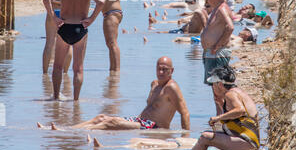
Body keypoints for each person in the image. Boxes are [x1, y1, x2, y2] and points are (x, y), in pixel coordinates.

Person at [40, 56, 190, 130]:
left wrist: (186, 138)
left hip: (155, 127)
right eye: (159, 68)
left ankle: (77, 134)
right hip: (140, 122)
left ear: (172, 71)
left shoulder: (172, 88)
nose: (161, 72)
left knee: (112, 122)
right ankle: (66, 130)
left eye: (165, 69)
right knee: (102, 117)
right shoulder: (154, 84)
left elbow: (185, 113)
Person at [42, 0, 105, 100]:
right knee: (78, 68)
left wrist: (54, 17)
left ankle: (56, 97)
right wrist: (91, 19)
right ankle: (76, 101)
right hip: (80, 28)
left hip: (64, 27)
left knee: (58, 66)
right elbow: (101, 1)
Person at [186, 66, 260, 150]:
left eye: (213, 84)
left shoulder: (230, 94)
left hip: (248, 142)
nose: (212, 87)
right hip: (247, 140)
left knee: (205, 137)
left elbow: (240, 110)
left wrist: (217, 118)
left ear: (220, 84)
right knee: (208, 136)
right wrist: (221, 103)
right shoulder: (237, 92)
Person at [39, 0, 73, 76]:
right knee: (67, 44)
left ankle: (44, 74)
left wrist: (54, 0)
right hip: (67, 14)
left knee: (49, 43)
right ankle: (65, 74)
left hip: (53, 12)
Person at [201, 0, 234, 92]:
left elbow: (230, 27)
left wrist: (217, 46)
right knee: (215, 90)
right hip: (212, 54)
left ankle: (226, 109)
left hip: (217, 54)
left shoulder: (222, 8)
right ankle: (220, 110)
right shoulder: (216, 9)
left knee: (219, 90)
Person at [99, 0, 123, 75]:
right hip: (111, 12)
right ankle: (113, 70)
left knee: (112, 43)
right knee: (110, 43)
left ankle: (116, 71)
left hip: (112, 12)